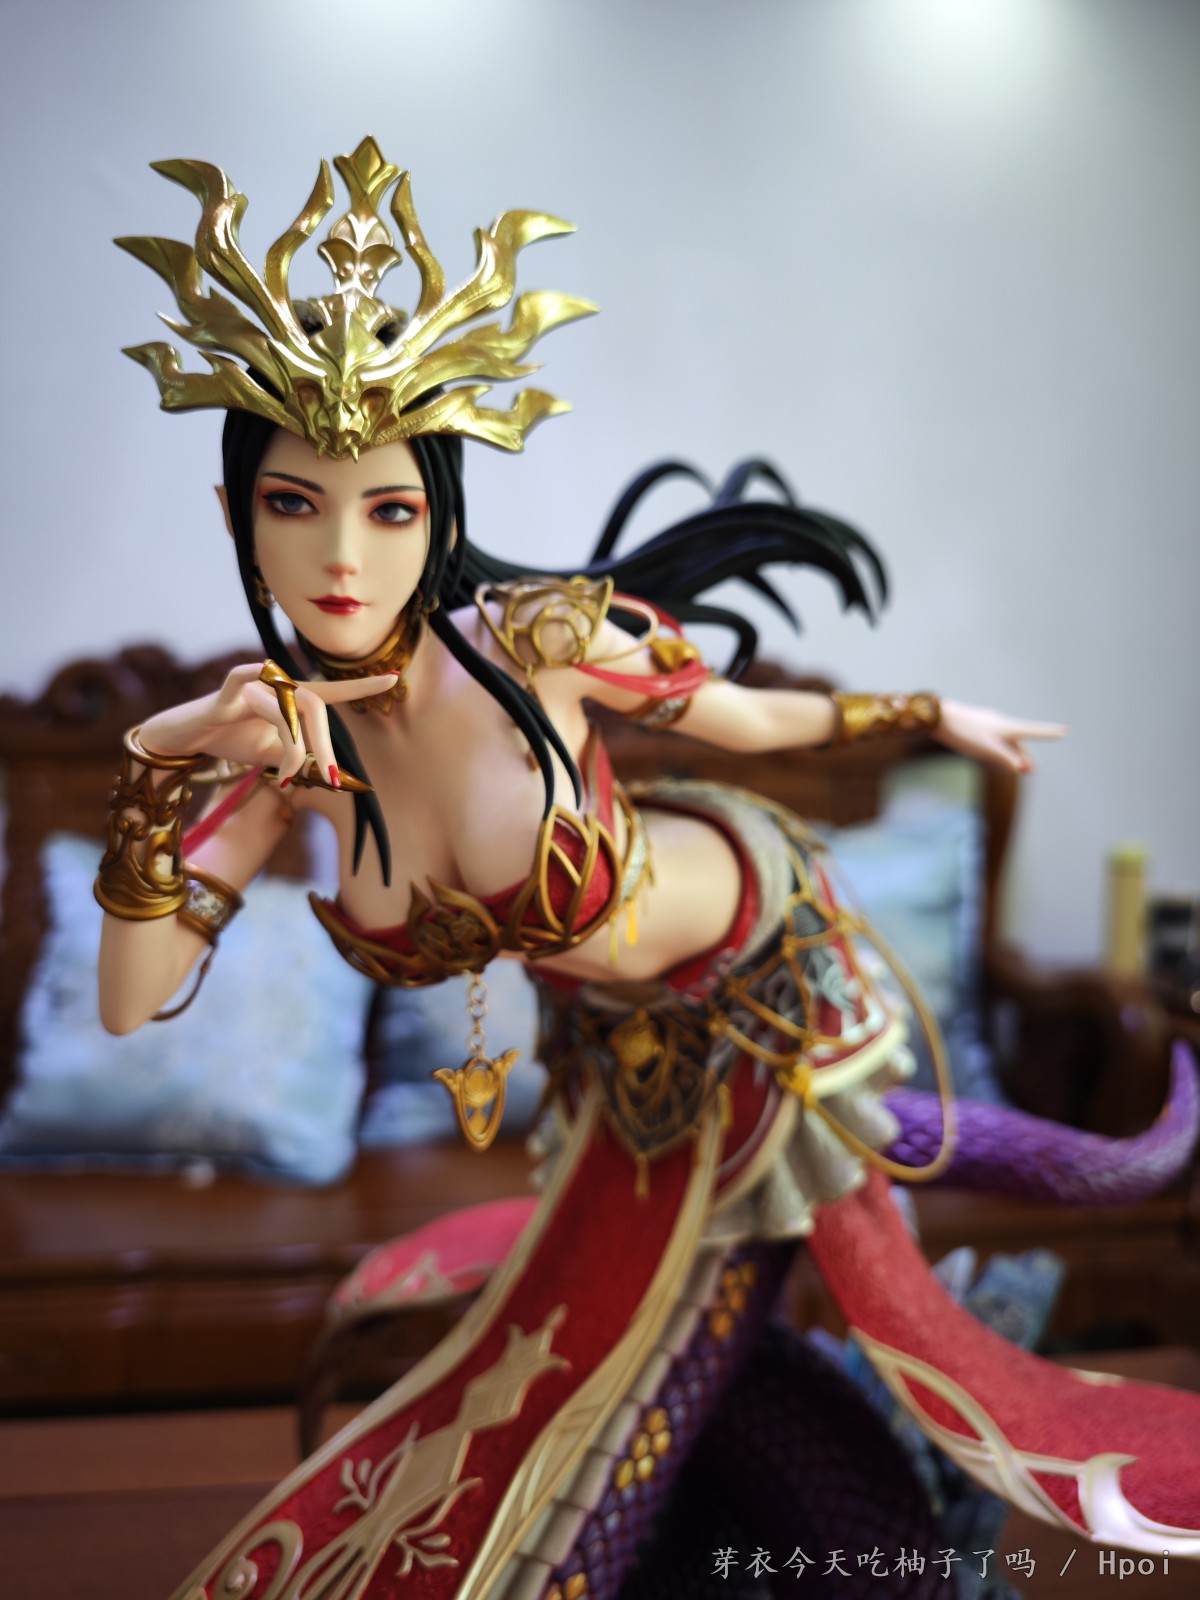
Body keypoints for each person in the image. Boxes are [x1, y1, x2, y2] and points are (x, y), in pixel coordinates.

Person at [100, 140, 1200, 1599]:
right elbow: (131, 1002)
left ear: (438, 515)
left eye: (390, 508)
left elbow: (748, 721)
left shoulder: (541, 641)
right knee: (540, 1400)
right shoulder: (278, 752)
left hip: (765, 981)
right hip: (618, 1055)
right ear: (239, 517)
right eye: (294, 504)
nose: (342, 558)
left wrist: (930, 712)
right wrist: (155, 767)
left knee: (619, 1405)